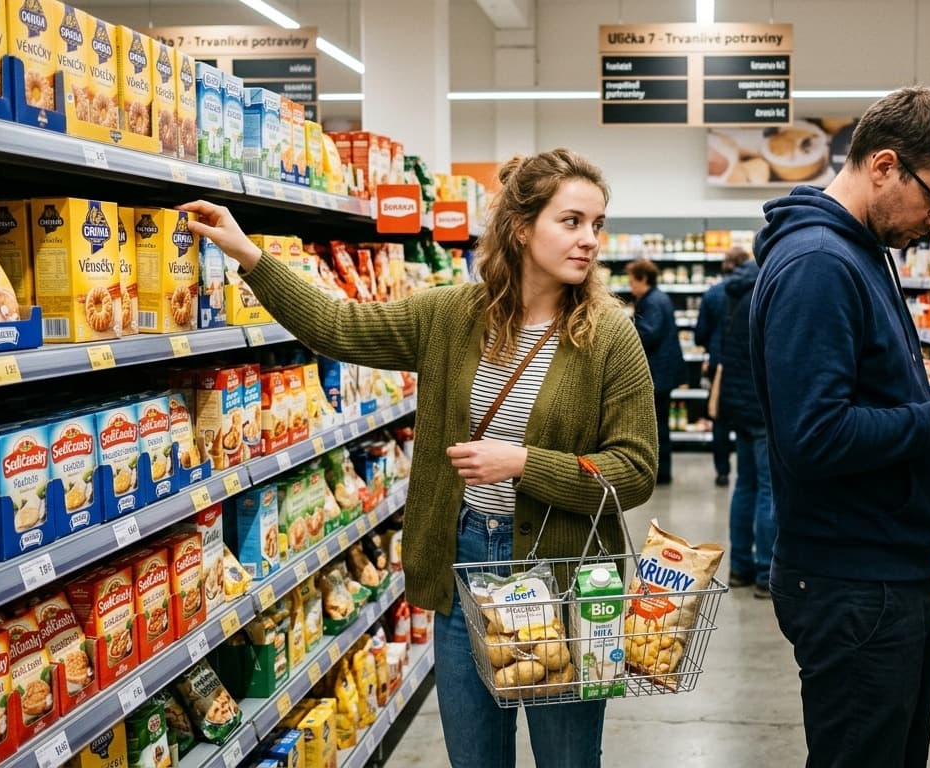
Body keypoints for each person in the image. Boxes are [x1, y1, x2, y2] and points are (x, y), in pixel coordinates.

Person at [180, 148, 658, 768]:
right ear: (521, 228)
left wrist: (524, 464)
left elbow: (635, 469)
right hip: (464, 566)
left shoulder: (608, 333)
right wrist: (248, 254)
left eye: (597, 224)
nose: (589, 239)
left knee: (566, 759)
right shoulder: (451, 316)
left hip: (564, 580)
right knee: (475, 757)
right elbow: (337, 326)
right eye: (571, 221)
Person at [748, 87, 930, 767]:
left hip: (879, 576)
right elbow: (814, 437)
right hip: (854, 585)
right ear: (883, 166)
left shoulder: (862, 251)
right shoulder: (819, 265)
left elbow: (861, 398)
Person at [715, 251, 775, 598]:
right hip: (762, 405)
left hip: (738, 403)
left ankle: (740, 566)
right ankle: (766, 572)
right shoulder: (769, 289)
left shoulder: (736, 292)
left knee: (745, 484)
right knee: (769, 489)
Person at [695, 246, 751, 487]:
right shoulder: (752, 290)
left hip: (717, 363)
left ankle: (722, 471)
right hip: (744, 363)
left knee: (719, 417)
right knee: (746, 419)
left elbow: (700, 334)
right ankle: (746, 470)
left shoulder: (712, 294)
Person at [626, 257, 685, 485]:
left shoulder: (651, 302)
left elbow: (648, 334)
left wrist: (627, 331)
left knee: (657, 425)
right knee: (660, 423)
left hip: (658, 373)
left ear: (643, 279)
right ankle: (660, 470)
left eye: (632, 282)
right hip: (664, 371)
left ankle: (659, 472)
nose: (631, 287)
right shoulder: (659, 298)